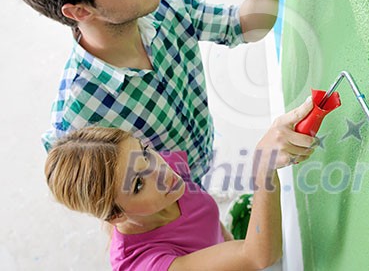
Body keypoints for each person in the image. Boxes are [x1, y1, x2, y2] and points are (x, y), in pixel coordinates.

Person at [1, 0, 313, 184]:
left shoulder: (166, 4)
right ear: (80, 11)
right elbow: (104, 203)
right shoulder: (76, 120)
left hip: (198, 171)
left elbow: (244, 26)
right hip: (162, 215)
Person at [45, 98, 317, 270]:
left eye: (145, 151)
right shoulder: (145, 264)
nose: (162, 171)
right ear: (116, 215)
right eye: (138, 184)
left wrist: (233, 249)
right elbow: (260, 258)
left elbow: (210, 221)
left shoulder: (161, 170)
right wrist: (263, 169)